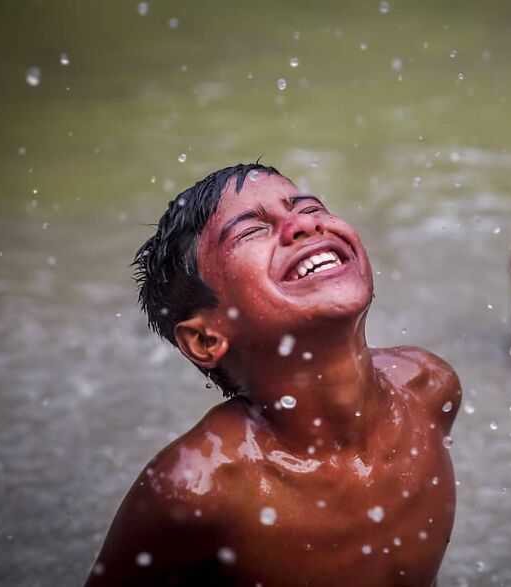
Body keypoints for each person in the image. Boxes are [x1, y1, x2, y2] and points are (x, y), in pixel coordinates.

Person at [87, 163, 461, 586]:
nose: (302, 225)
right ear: (207, 339)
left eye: (308, 205)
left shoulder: (429, 389)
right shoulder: (200, 487)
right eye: (250, 231)